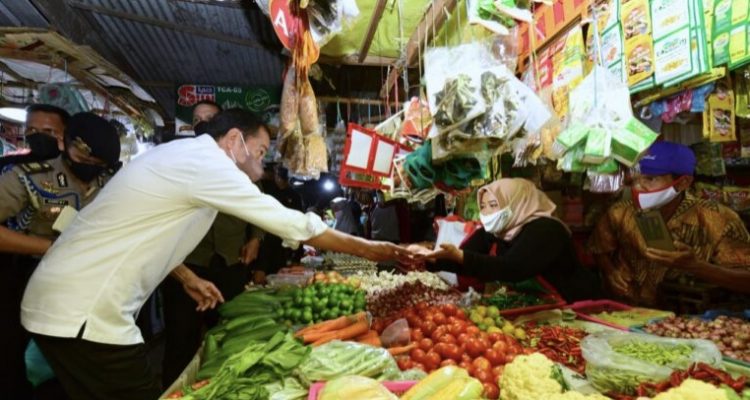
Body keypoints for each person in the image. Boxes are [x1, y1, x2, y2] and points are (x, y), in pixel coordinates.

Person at [20, 109, 412, 400]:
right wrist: (376, 249)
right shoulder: (206, 164)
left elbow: (141, 231)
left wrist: (188, 278)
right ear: (234, 140)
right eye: (259, 150)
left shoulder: (185, 159)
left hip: (66, 304)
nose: (262, 161)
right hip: (83, 313)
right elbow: (292, 224)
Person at [0, 112, 120, 400]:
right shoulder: (27, 177)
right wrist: (51, 248)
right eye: (84, 159)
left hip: (89, 286)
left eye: (97, 165)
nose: (90, 168)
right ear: (66, 144)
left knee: (84, 363)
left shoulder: (113, 182)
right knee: (15, 357)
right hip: (32, 279)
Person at [160, 103, 265, 386]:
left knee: (230, 334)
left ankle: (220, 387)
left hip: (230, 263)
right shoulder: (184, 163)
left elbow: (261, 208)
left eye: (209, 118)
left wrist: (255, 238)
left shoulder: (240, 166)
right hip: (185, 264)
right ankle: (176, 390)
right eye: (196, 120)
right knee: (181, 339)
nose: (202, 123)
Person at [590, 141, 750, 306]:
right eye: (634, 180)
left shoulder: (719, 219)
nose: (638, 187)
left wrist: (696, 267)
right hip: (628, 318)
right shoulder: (619, 213)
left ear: (683, 182)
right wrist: (610, 272)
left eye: (650, 179)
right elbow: (599, 248)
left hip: (694, 322)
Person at [417, 178, 601, 302]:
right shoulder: (498, 229)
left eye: (494, 205)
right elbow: (468, 258)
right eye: (483, 206)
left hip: (574, 305)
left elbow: (512, 268)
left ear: (517, 202)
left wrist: (460, 256)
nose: (487, 212)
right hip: (540, 306)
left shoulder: (546, 230)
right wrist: (433, 260)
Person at [0, 104, 70, 172]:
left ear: (65, 134)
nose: (39, 135)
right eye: (32, 129)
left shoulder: (73, 169)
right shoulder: (6, 165)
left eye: (48, 131)